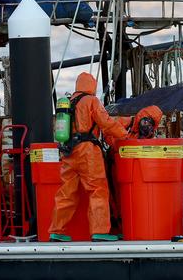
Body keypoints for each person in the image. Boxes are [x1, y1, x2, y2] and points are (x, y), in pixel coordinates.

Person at [49, 72, 128, 242]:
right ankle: (99, 231)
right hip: (87, 152)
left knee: (66, 192)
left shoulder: (68, 102)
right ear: (92, 85)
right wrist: (124, 134)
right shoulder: (91, 101)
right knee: (97, 190)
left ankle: (56, 230)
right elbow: (106, 123)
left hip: (69, 151)